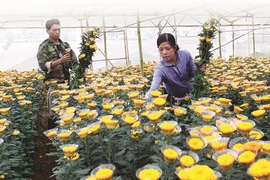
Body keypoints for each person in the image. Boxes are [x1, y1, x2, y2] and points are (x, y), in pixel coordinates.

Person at [146, 33, 206, 103]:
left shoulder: (185, 55)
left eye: (168, 48)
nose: (164, 52)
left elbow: (193, 73)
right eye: (161, 50)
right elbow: (154, 88)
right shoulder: (161, 69)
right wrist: (145, 103)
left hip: (192, 96)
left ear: (174, 47)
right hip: (175, 101)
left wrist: (199, 70)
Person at [37, 18, 78, 83]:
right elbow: (43, 66)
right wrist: (60, 61)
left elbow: (75, 64)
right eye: (54, 30)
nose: (57, 32)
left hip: (67, 82)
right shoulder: (44, 46)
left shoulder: (65, 46)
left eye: (59, 29)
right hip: (53, 83)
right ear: (47, 31)